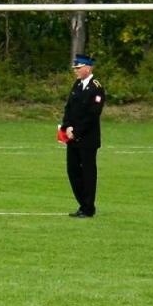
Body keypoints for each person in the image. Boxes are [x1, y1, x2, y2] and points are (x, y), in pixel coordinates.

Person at [59, 53, 106, 218]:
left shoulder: (96, 87)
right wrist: (67, 127)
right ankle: (82, 204)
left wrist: (77, 131)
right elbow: (69, 108)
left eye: (78, 68)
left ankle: (88, 207)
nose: (76, 71)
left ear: (88, 67)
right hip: (72, 137)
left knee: (87, 173)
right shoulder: (77, 85)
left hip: (87, 139)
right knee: (72, 171)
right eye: (75, 68)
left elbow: (92, 115)